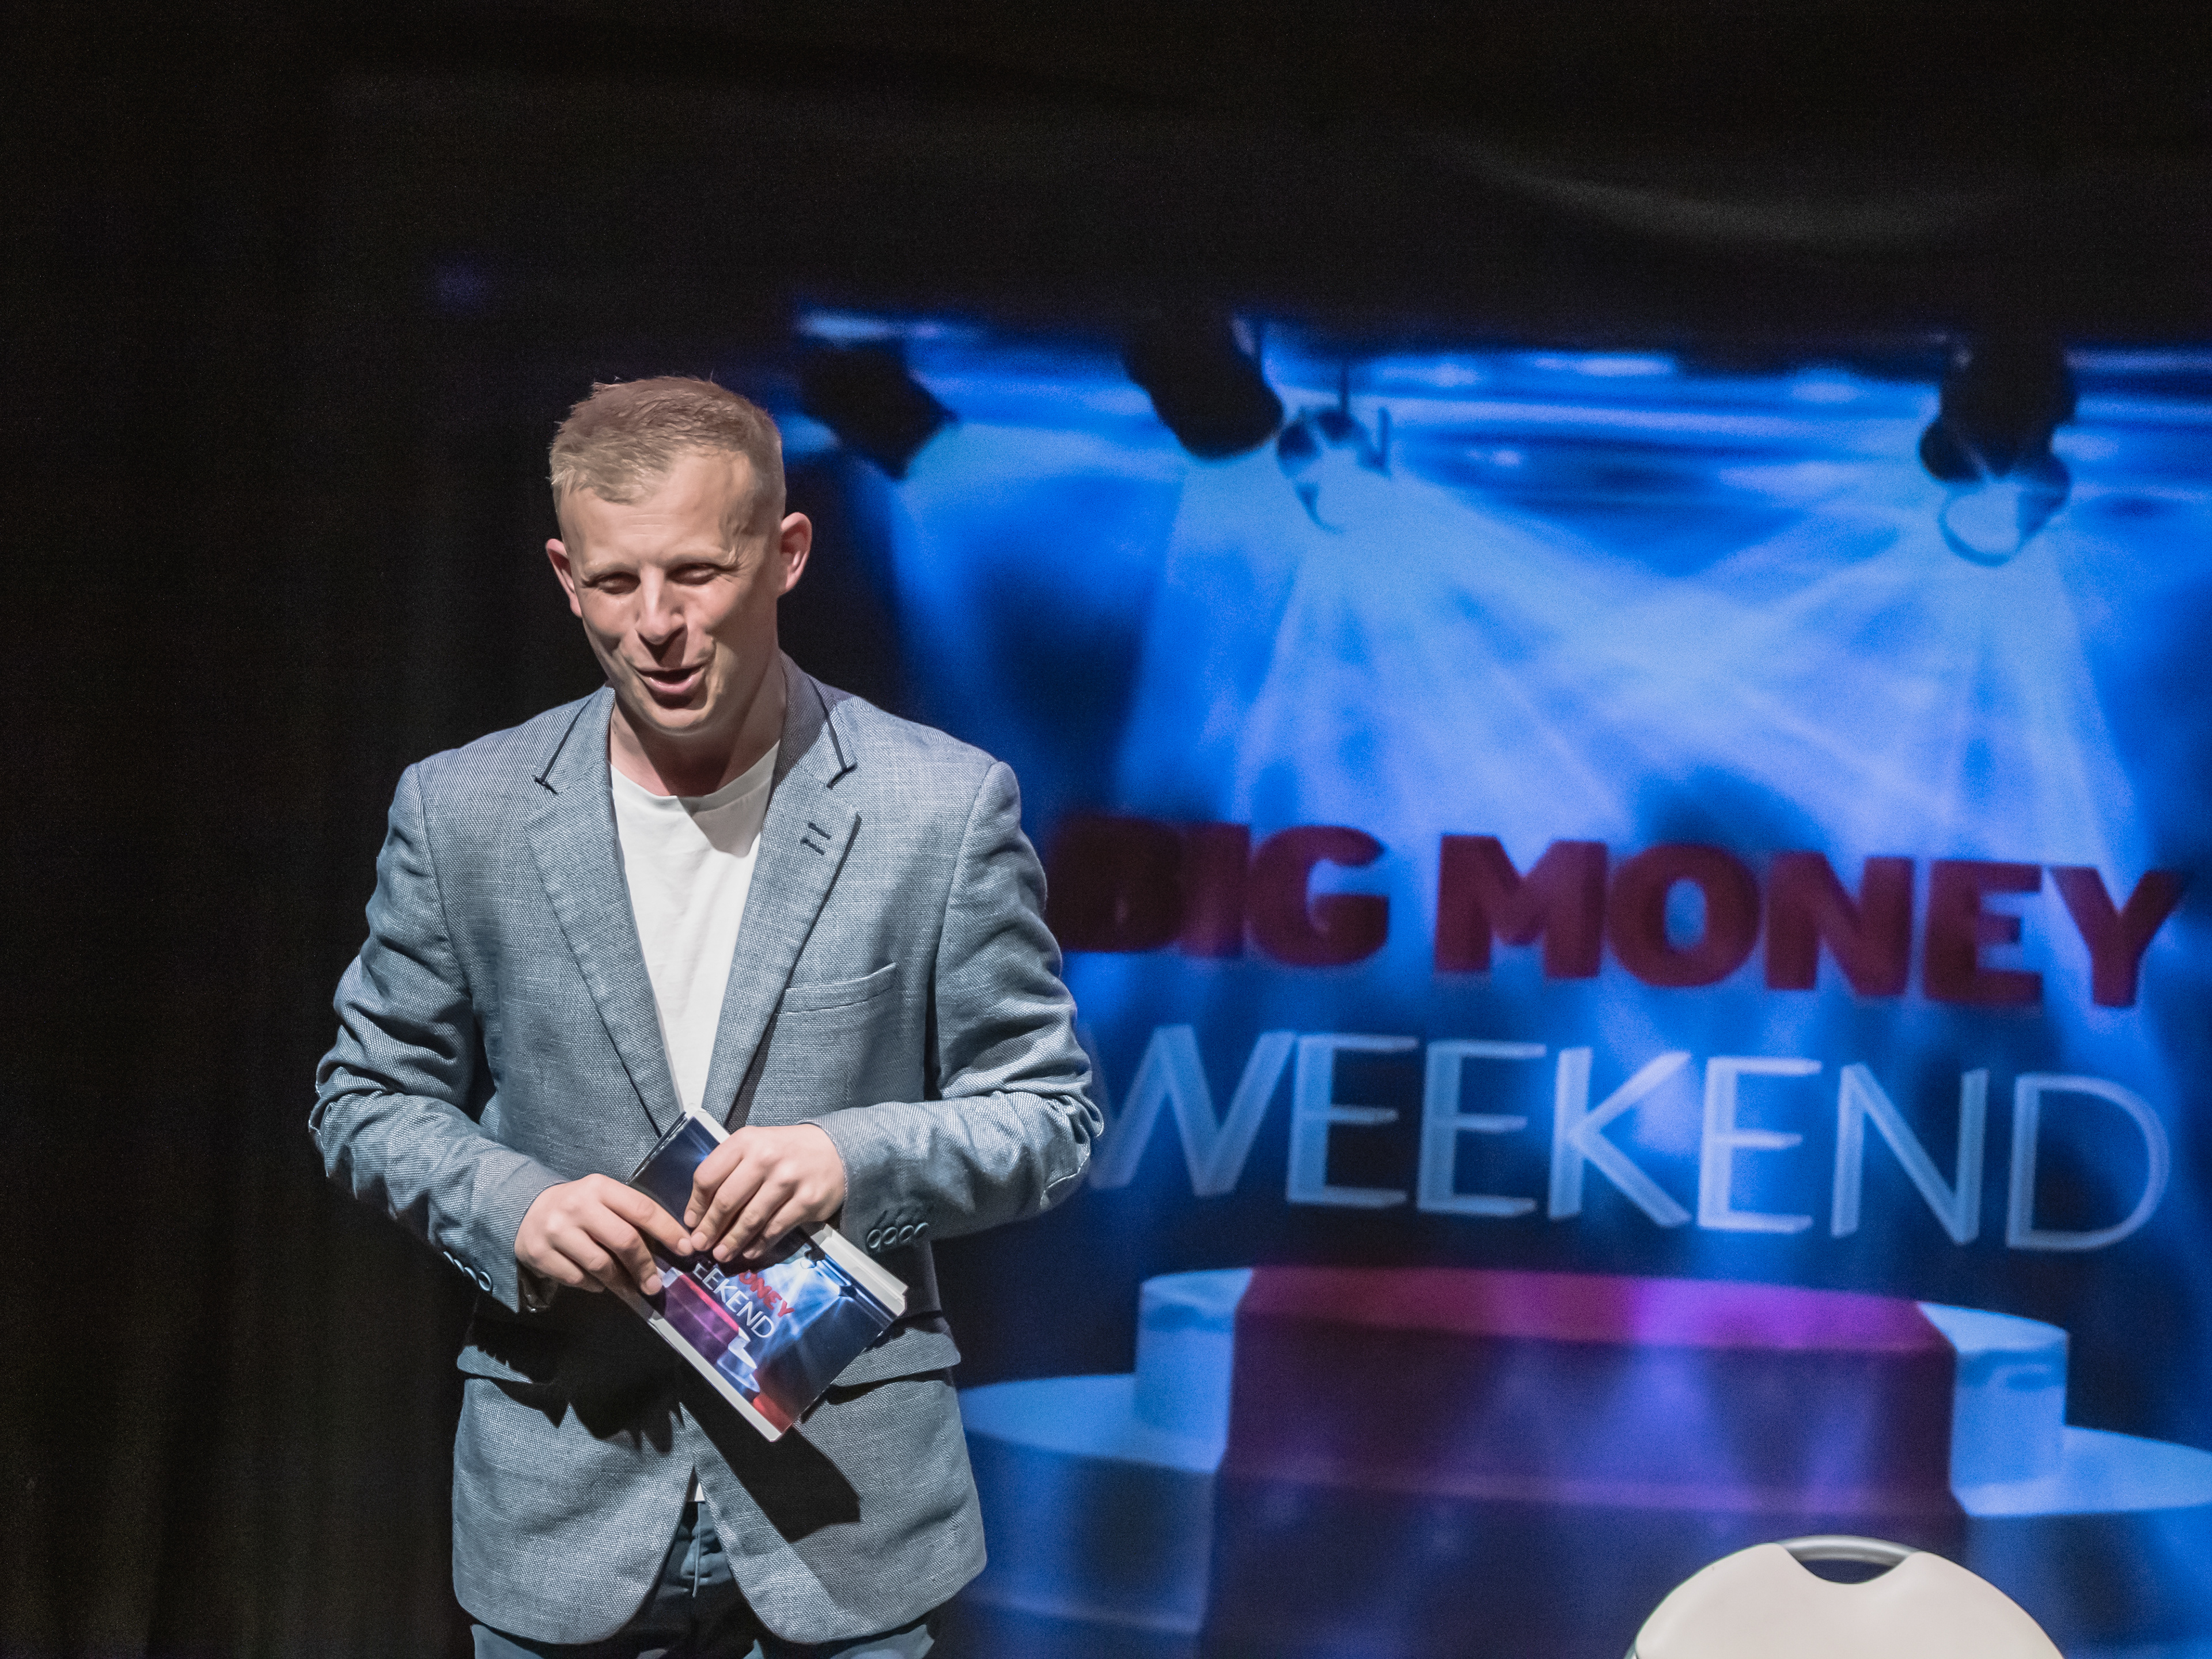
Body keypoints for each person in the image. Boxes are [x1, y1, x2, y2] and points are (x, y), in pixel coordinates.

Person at [312, 376, 1098, 1657]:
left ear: (785, 554)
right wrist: (515, 1207)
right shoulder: (466, 811)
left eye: (696, 574)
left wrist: (851, 1158)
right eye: (615, 584)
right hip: (562, 1491)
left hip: (847, 1517)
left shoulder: (939, 807)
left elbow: (1052, 1119)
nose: (657, 627)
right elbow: (364, 1098)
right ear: (564, 577)